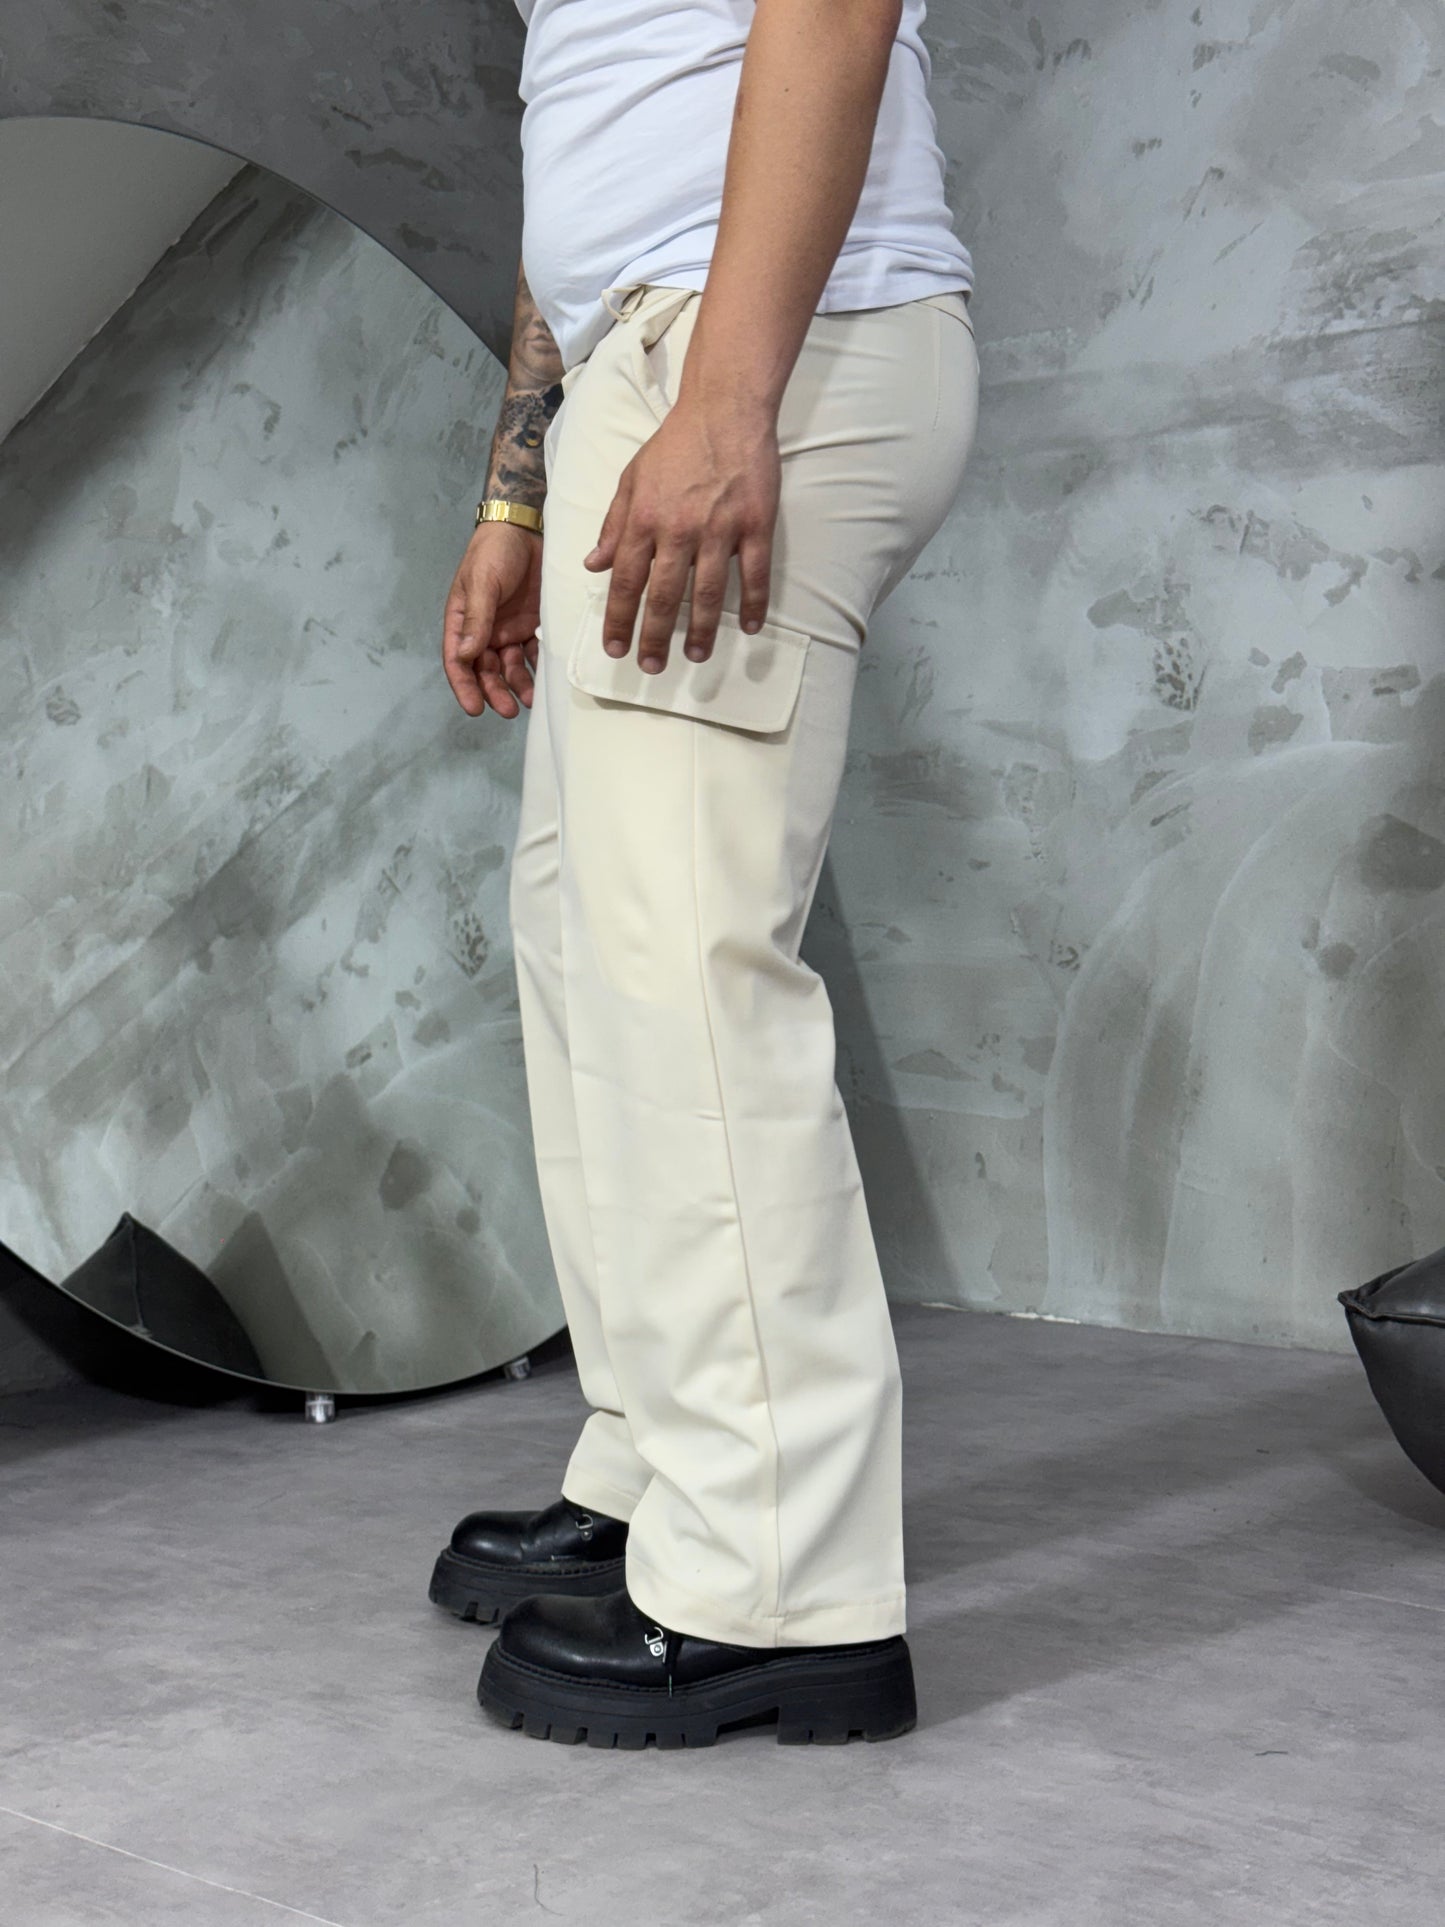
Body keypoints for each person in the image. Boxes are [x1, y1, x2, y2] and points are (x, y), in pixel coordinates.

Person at [430, 0, 979, 1750]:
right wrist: (519, 496)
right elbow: (588, 122)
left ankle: (771, 1582)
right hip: (646, 352)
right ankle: (659, 1462)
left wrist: (725, 397)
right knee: (582, 935)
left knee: (686, 970)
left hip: (761, 345)